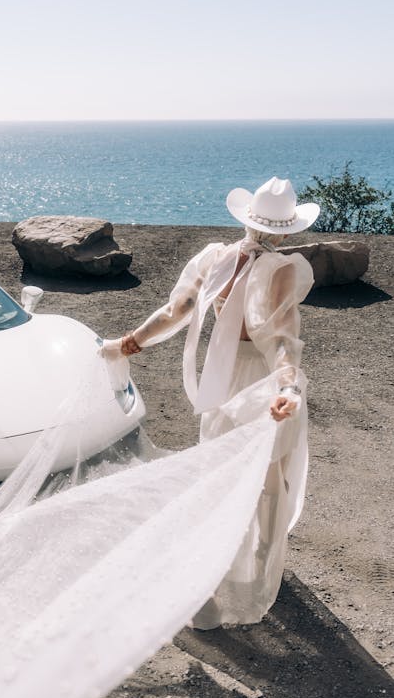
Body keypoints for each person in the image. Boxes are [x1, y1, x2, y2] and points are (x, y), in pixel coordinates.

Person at [103, 177, 319, 628]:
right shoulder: (281, 269)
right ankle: (259, 568)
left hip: (219, 386)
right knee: (270, 479)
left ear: (248, 221)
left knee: (219, 479)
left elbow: (173, 312)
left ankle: (207, 573)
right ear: (284, 231)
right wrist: (288, 390)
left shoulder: (215, 258)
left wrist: (129, 342)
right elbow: (279, 342)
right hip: (259, 382)